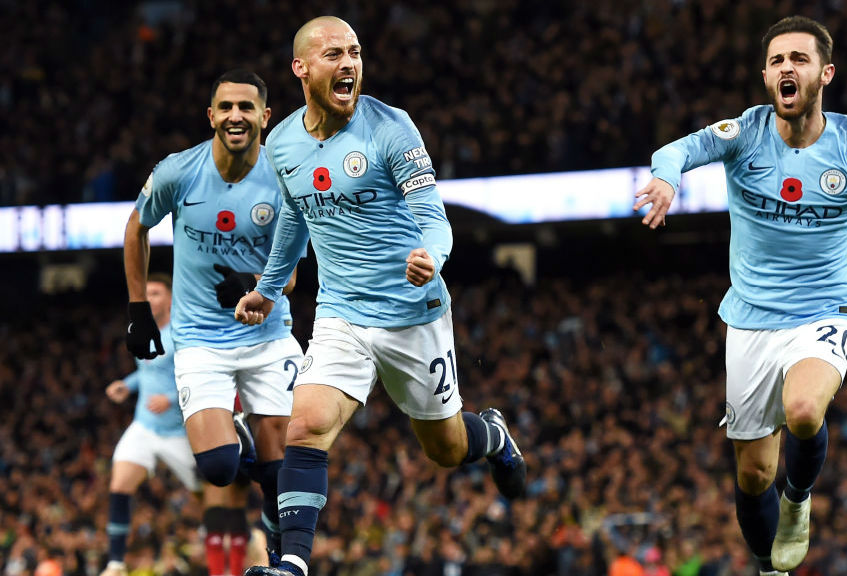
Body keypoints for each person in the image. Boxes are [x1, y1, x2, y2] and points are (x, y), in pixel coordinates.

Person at [633, 15, 847, 576]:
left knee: (804, 411)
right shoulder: (744, 132)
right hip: (749, 320)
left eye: (799, 59)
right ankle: (770, 569)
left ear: (825, 73)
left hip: (824, 309)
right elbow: (675, 150)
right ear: (766, 76)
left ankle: (798, 499)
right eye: (776, 61)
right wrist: (666, 178)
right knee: (750, 477)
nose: (786, 68)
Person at [234, 16, 527, 576]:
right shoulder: (283, 143)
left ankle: (492, 434)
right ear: (301, 68)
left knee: (443, 450)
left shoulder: (392, 129)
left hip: (412, 314)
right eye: (334, 55)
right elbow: (295, 219)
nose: (349, 64)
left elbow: (435, 220)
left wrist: (431, 259)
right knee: (305, 426)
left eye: (356, 53)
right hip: (341, 313)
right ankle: (293, 564)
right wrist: (269, 289)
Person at [123, 69, 304, 567]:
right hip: (201, 340)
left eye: (246, 107)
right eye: (225, 107)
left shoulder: (286, 180)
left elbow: (289, 275)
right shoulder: (178, 172)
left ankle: (278, 560)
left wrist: (255, 283)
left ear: (265, 117)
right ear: (211, 116)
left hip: (267, 337)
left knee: (279, 472)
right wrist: (139, 308)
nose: (235, 116)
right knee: (221, 469)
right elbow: (136, 227)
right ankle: (240, 433)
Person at [101, 275, 253, 576]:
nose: (148, 298)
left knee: (213, 499)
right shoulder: (139, 329)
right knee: (119, 484)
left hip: (181, 433)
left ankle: (244, 539)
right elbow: (146, 371)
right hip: (144, 426)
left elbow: (198, 374)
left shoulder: (183, 333)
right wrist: (126, 386)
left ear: (169, 299)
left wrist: (170, 399)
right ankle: (115, 563)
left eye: (155, 293)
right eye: (145, 293)